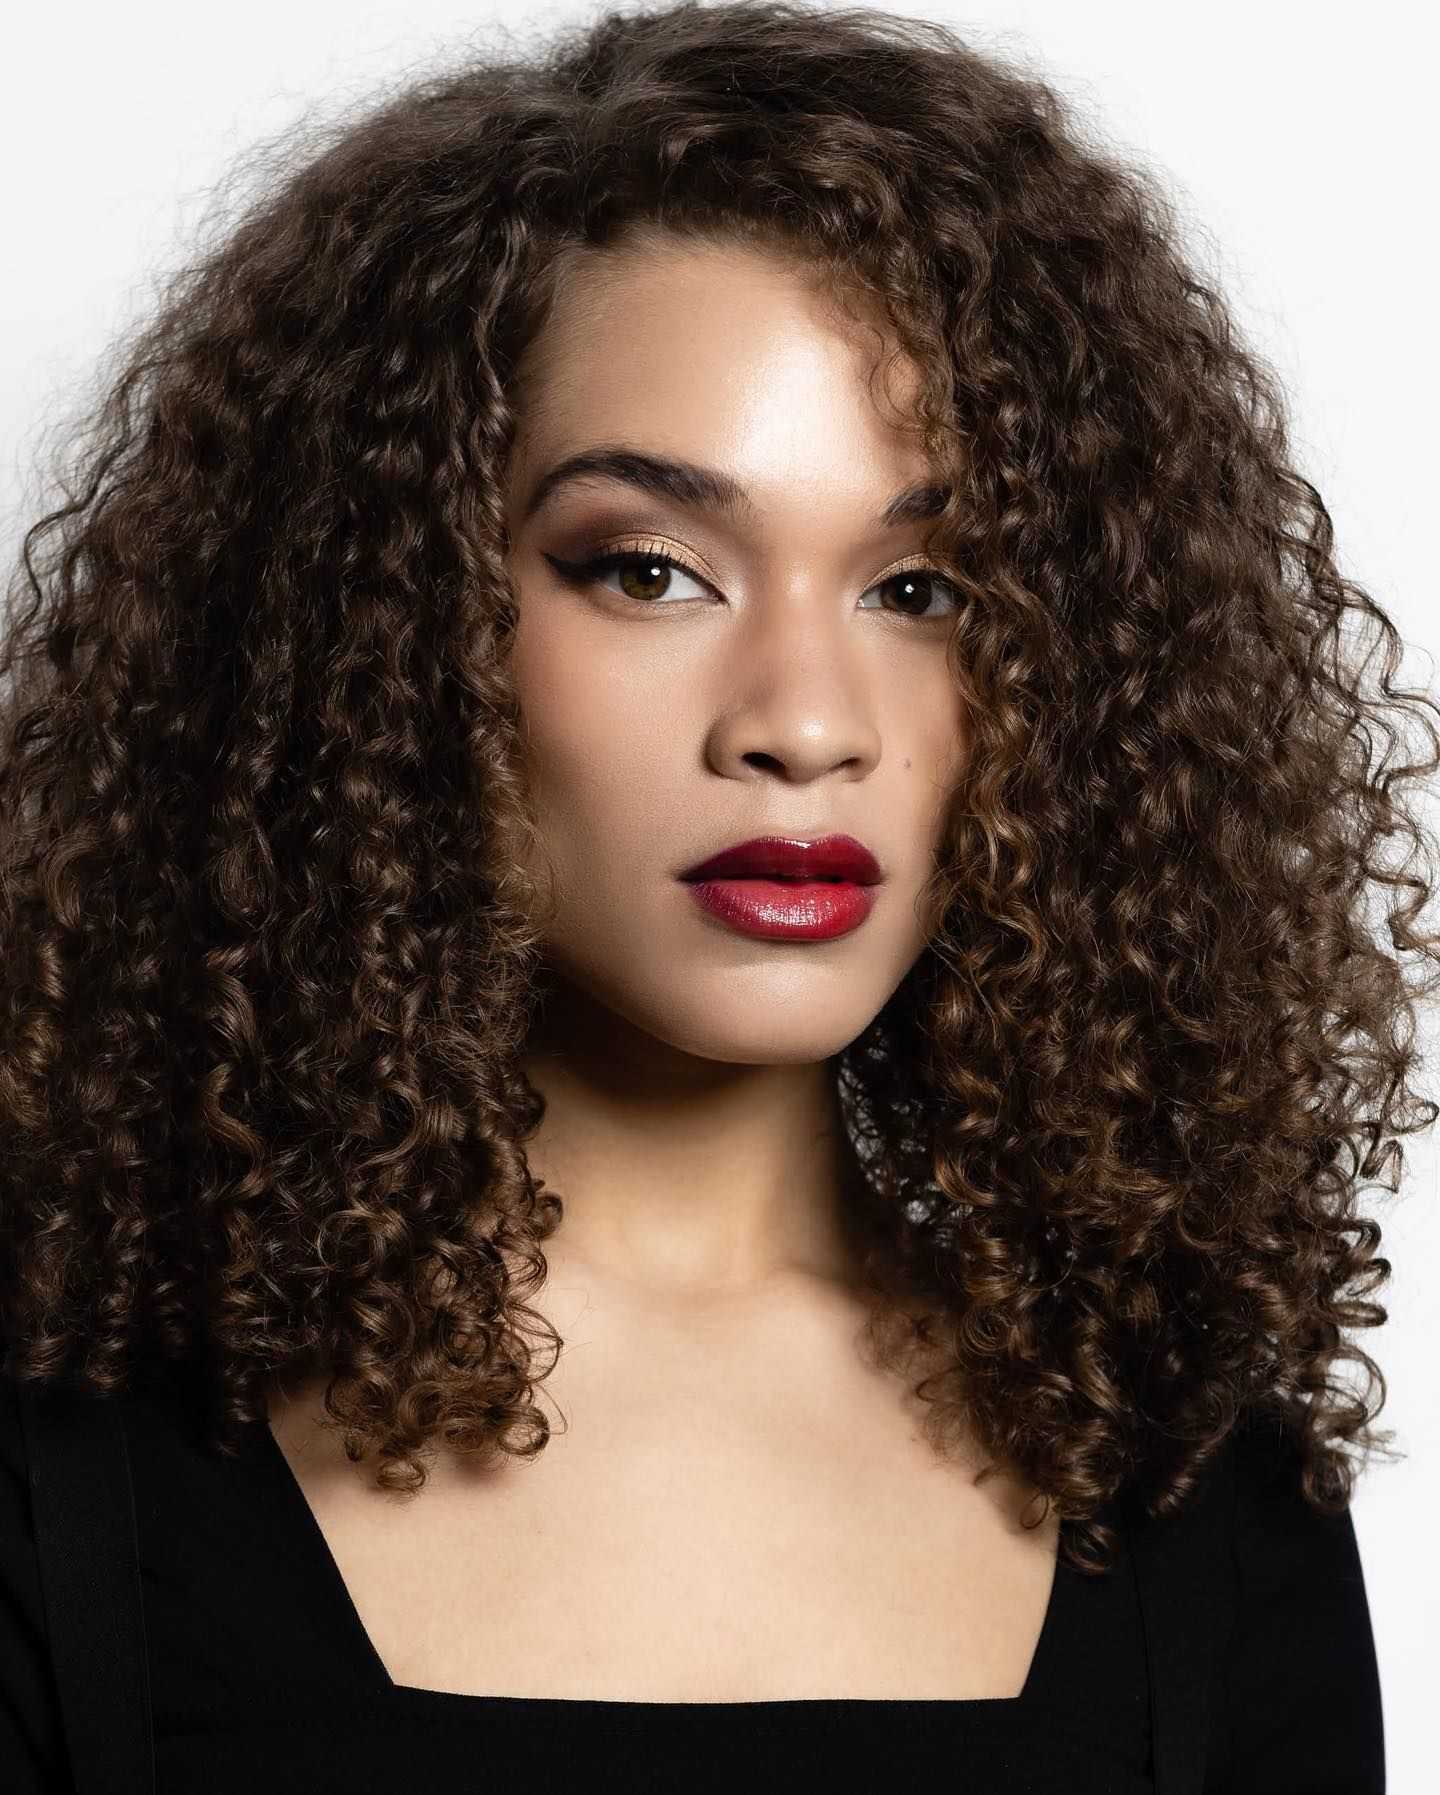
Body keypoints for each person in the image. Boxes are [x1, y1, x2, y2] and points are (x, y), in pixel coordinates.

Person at [0, 3, 1427, 1789]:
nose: (806, 725)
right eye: (653, 570)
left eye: (927, 590)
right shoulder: (66, 1467)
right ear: (382, 620)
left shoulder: (1199, 1499)